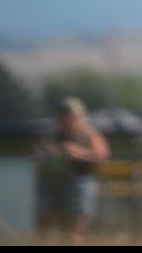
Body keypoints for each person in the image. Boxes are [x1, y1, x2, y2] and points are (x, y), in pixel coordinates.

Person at [33, 97, 109, 245]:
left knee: (73, 230)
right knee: (44, 224)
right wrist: (46, 153)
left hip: (79, 183)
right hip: (53, 183)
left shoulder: (89, 134)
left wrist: (76, 153)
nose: (66, 117)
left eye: (70, 114)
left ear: (80, 115)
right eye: (62, 114)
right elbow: (36, 156)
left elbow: (102, 155)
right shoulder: (52, 136)